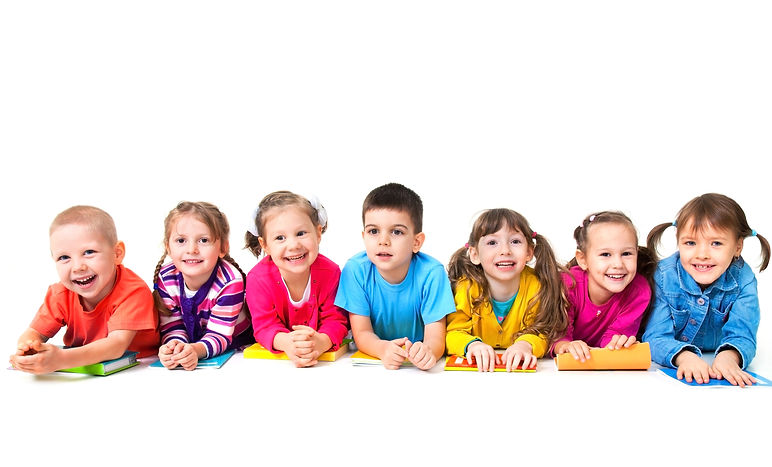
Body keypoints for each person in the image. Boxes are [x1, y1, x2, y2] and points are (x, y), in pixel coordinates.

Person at [10, 206, 159, 374]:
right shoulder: (60, 294)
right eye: (64, 257)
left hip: (140, 369)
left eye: (89, 252)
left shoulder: (133, 291)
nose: (78, 267)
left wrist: (60, 359)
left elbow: (116, 346)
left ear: (116, 253)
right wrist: (28, 349)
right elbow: (33, 333)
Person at [643, 193, 769, 387]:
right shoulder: (663, 276)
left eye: (716, 243)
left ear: (737, 247)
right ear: (678, 242)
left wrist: (730, 356)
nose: (702, 255)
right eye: (690, 243)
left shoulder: (744, 280)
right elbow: (655, 336)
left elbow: (743, 334)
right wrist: (684, 357)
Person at [335, 182, 454, 370]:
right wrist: (382, 349)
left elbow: (436, 337)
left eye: (397, 232)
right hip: (374, 364)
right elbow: (362, 332)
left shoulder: (432, 273)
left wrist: (428, 351)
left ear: (416, 242)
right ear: (364, 236)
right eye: (373, 231)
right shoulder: (355, 270)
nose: (383, 241)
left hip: (415, 367)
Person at [446, 208, 567, 372]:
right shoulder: (466, 287)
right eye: (492, 243)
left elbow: (542, 332)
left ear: (529, 252)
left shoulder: (536, 286)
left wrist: (525, 345)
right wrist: (472, 345)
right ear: (474, 254)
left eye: (515, 241)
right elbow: (452, 333)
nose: (505, 251)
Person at [245, 191, 348, 367]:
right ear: (265, 245)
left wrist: (322, 342)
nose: (293, 245)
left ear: (318, 233)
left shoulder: (330, 272)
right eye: (280, 238)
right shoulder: (257, 279)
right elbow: (264, 326)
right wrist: (287, 343)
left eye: (301, 233)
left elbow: (336, 319)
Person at [153, 202, 253, 370]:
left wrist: (194, 350)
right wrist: (175, 347)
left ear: (223, 248)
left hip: (235, 348)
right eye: (181, 240)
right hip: (195, 345)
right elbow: (173, 325)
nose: (192, 249)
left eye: (203, 240)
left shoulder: (229, 281)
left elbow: (220, 335)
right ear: (168, 247)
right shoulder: (166, 277)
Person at [553, 211, 655, 362]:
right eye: (606, 254)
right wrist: (565, 345)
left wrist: (620, 344)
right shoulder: (568, 284)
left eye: (626, 253)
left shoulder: (639, 291)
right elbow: (556, 335)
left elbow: (612, 342)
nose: (618, 264)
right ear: (583, 259)